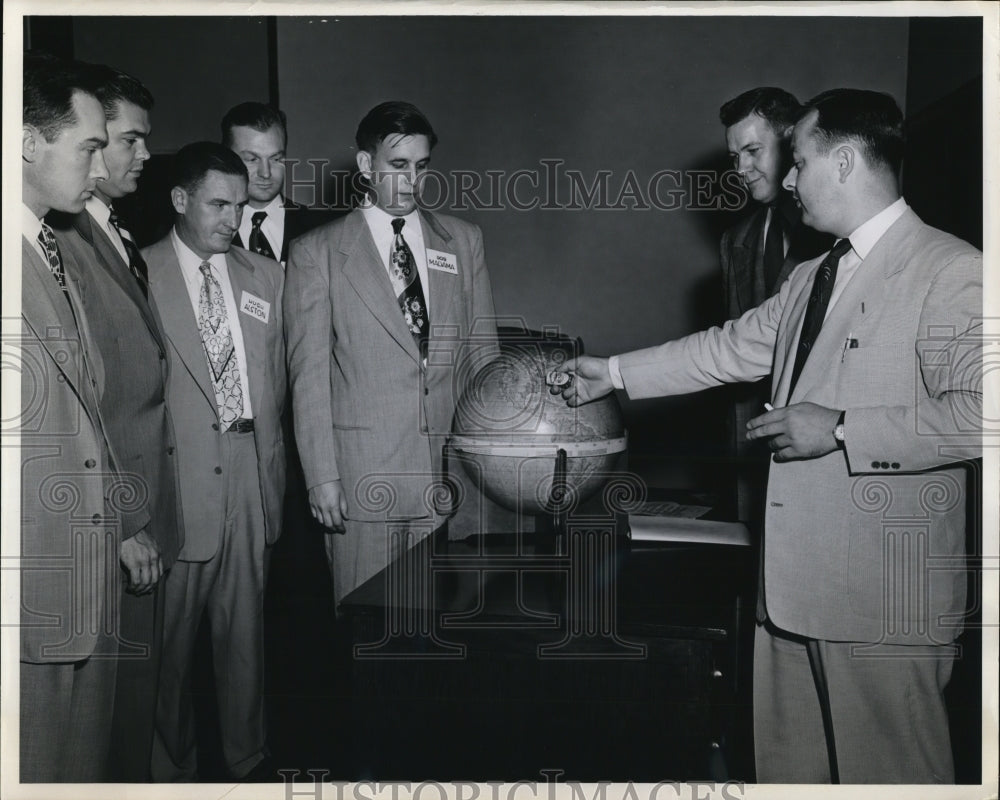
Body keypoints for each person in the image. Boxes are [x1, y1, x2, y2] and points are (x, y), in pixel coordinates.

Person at [552, 89, 982, 783]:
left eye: (799, 162)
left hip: (881, 605)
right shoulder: (812, 275)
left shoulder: (950, 269)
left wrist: (840, 429)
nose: (786, 181)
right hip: (788, 594)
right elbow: (728, 348)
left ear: (844, 162)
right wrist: (613, 372)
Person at [284, 101, 498, 606]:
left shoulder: (463, 240)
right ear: (365, 165)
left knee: (445, 631)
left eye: (421, 166)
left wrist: (490, 467)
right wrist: (321, 478)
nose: (411, 181)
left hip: (451, 481)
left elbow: (483, 357)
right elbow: (308, 376)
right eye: (398, 165)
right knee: (369, 631)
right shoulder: (316, 252)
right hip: (362, 481)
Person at [48, 64, 182, 781]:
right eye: (128, 139)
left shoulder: (113, 230)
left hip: (144, 502)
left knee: (133, 708)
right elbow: (80, 400)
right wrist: (127, 519)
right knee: (103, 730)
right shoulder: (59, 242)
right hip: (114, 516)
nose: (144, 154)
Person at [144, 142, 286, 781]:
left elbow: (280, 381)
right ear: (181, 200)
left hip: (252, 474)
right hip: (179, 484)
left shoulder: (266, 276)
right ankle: (170, 771)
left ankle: (247, 761)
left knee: (246, 638)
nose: (234, 219)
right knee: (169, 648)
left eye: (241, 205)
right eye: (218, 205)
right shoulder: (138, 273)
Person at [19, 51, 126, 782]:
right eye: (89, 147)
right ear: (29, 141)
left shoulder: (53, 245)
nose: (101, 167)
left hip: (82, 583)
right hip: (28, 593)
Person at [718, 87, 830, 526]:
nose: (740, 170)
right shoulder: (735, 241)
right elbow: (734, 354)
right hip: (753, 458)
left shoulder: (835, 235)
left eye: (752, 151)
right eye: (735, 157)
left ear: (791, 142)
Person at [222, 101, 333, 265]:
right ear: (227, 158)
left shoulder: (323, 228)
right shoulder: (208, 232)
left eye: (276, 159)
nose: (266, 173)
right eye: (252, 159)